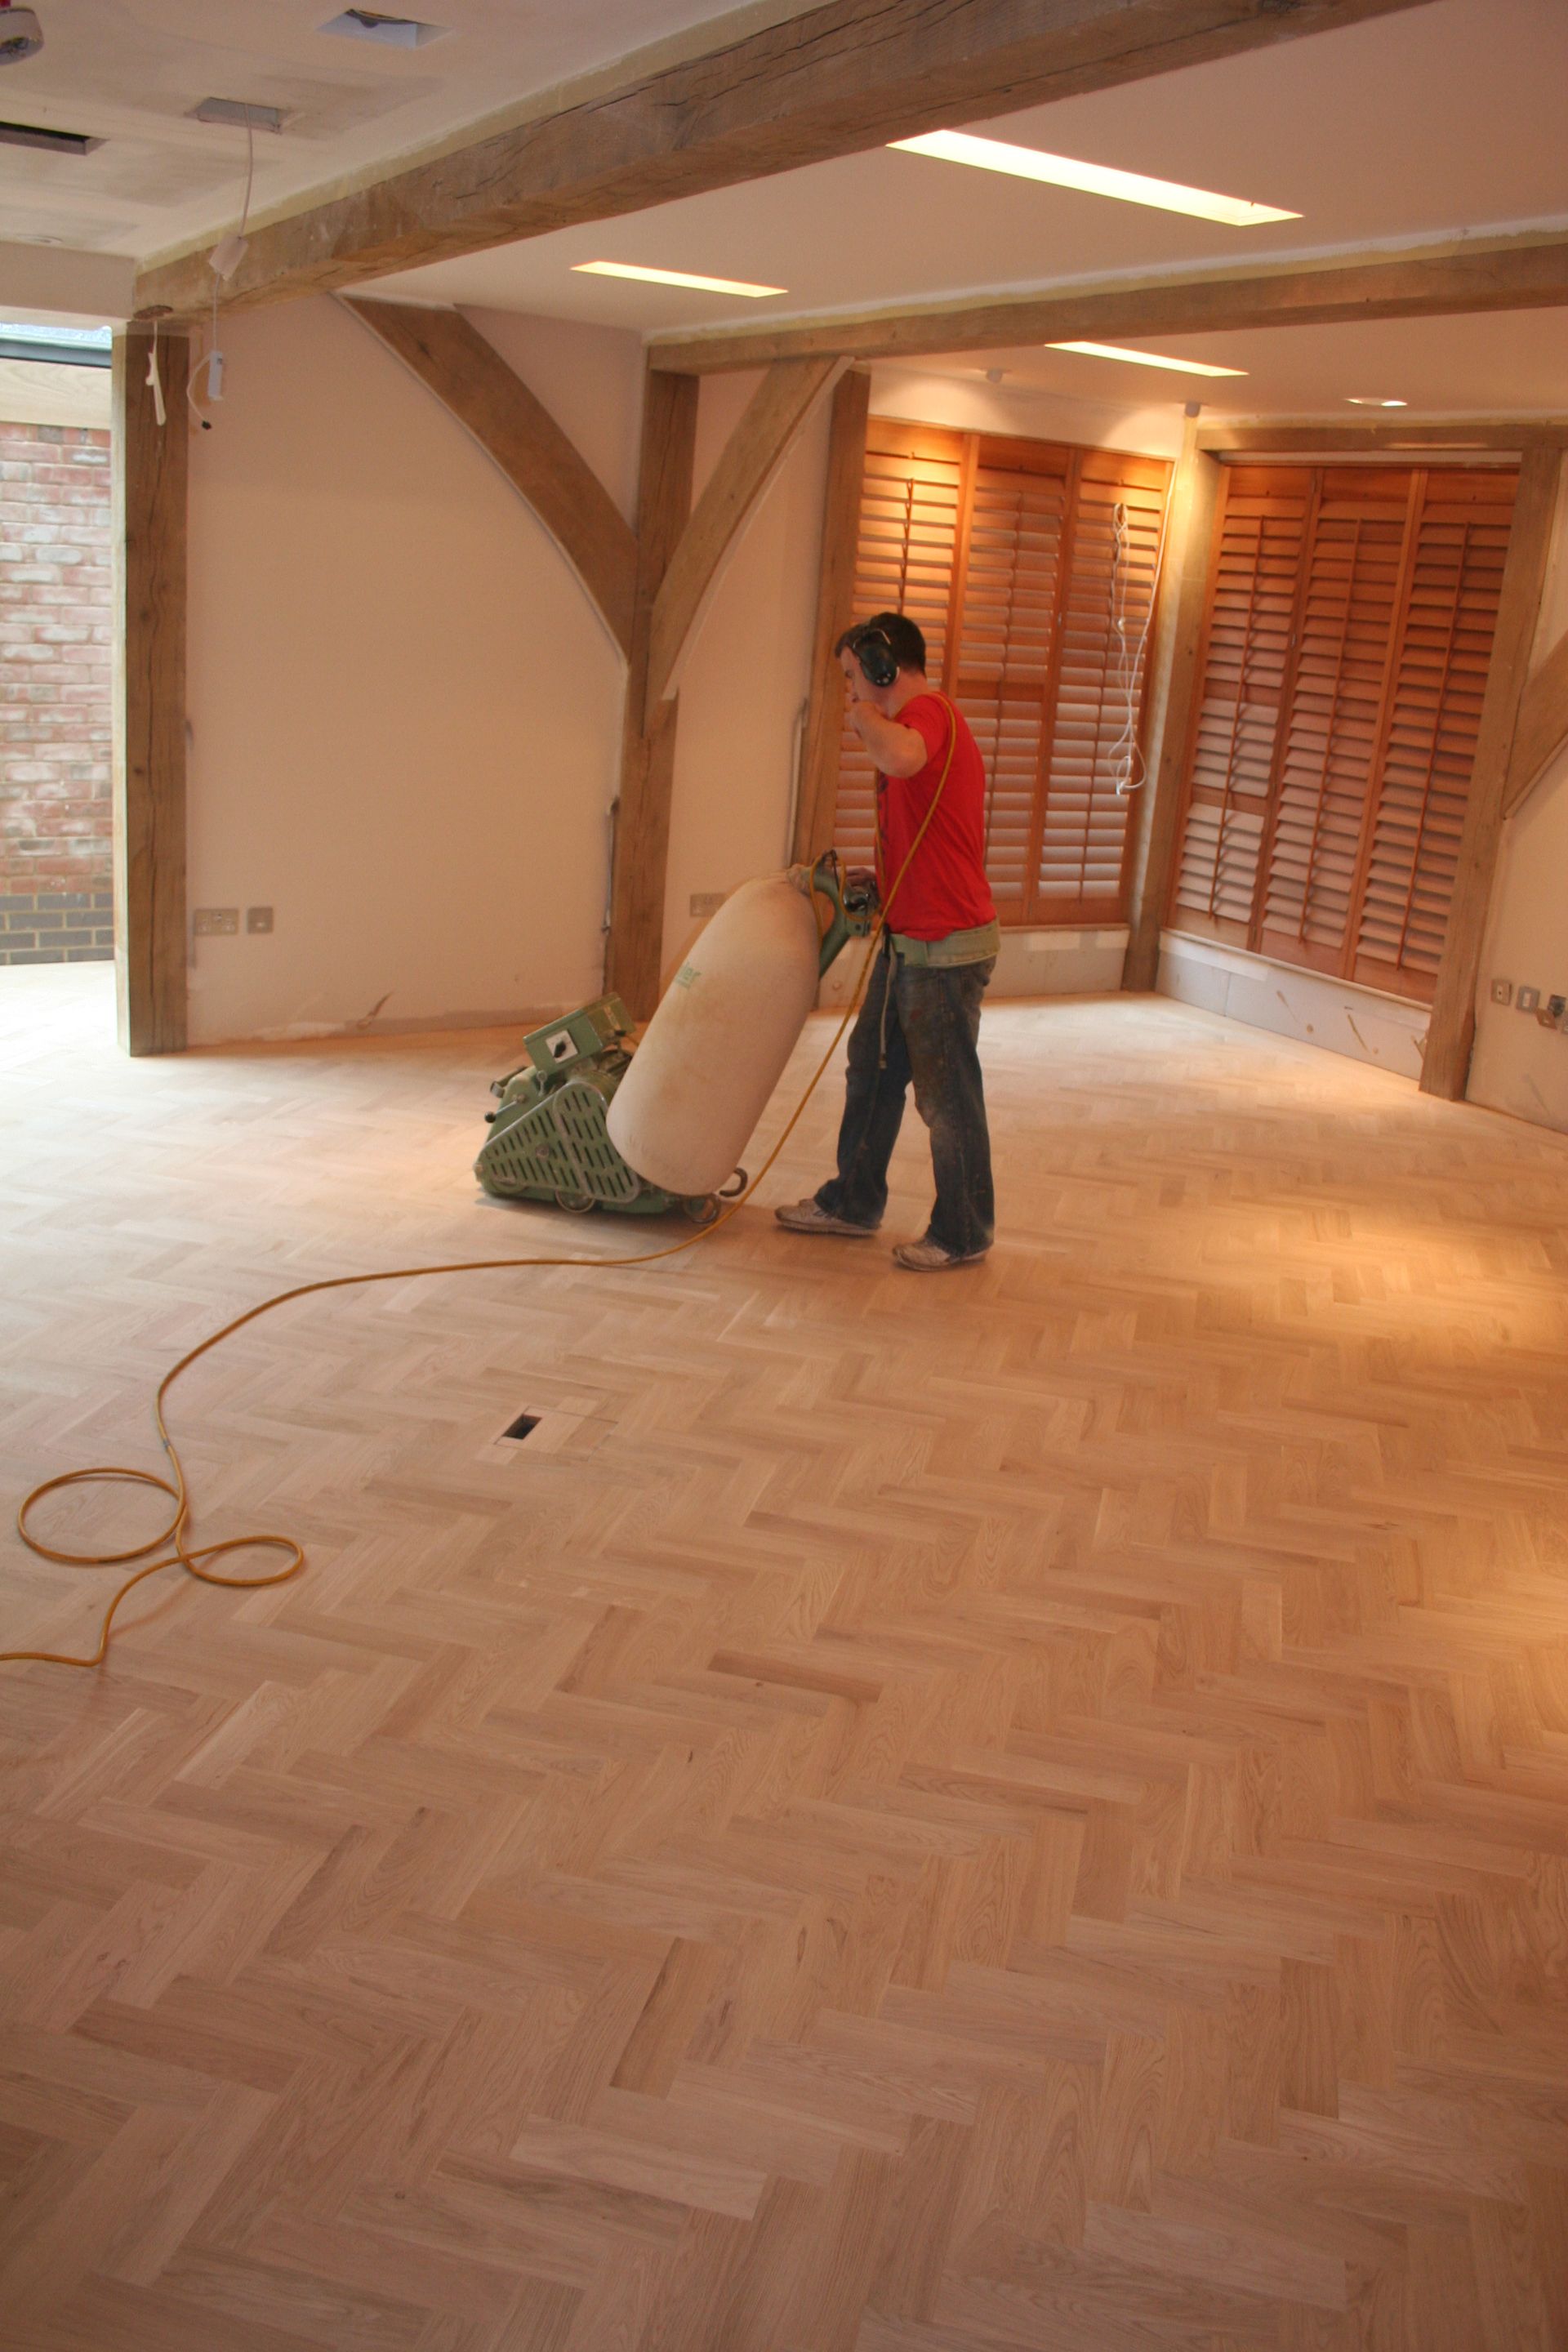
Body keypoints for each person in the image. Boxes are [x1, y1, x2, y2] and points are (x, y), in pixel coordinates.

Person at [777, 611, 999, 1271]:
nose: (850, 692)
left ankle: (963, 1233)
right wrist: (888, 877)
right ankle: (853, 1202)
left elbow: (900, 756)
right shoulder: (914, 726)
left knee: (946, 1099)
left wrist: (863, 715)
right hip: (909, 941)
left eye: (854, 676)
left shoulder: (928, 714)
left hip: (945, 950)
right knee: (870, 1071)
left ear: (882, 665)